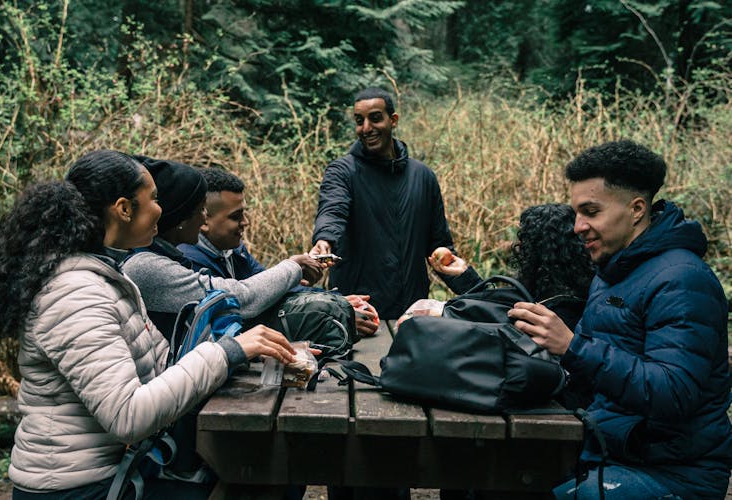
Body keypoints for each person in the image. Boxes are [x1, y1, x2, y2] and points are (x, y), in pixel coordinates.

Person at [0, 150, 302, 498]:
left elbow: (164, 367)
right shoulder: (75, 295)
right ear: (123, 209)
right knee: (262, 481)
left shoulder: (105, 276)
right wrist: (225, 353)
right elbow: (128, 416)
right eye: (154, 199)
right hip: (81, 488)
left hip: (118, 471)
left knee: (269, 476)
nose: (161, 210)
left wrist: (249, 353)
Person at [508, 140, 732, 499]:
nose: (578, 226)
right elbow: (586, 373)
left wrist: (572, 347)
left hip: (674, 474)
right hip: (610, 451)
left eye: (591, 212)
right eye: (576, 214)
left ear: (637, 209)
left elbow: (674, 392)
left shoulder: (682, 279)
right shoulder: (613, 271)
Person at [122, 156, 324, 337]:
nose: (204, 218)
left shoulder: (229, 250)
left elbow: (264, 286)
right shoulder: (148, 266)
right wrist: (293, 266)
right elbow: (241, 298)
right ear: (180, 217)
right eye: (200, 210)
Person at [311, 86, 465, 319]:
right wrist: (324, 239)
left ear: (393, 120)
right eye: (359, 121)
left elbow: (439, 245)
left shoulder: (422, 176)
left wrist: (476, 294)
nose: (366, 128)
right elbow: (333, 209)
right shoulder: (342, 171)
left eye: (375, 118)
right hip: (362, 313)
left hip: (411, 313)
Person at [430, 202, 596, 410]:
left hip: (551, 412)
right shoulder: (585, 292)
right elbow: (501, 308)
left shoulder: (556, 309)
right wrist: (466, 277)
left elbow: (499, 318)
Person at [178, 167, 379, 336]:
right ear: (204, 219)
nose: (245, 222)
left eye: (244, 213)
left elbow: (272, 289)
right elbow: (244, 311)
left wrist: (337, 302)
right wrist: (329, 314)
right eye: (236, 216)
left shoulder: (234, 250)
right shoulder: (190, 266)